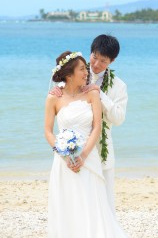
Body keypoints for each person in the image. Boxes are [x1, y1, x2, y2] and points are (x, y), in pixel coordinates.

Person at [45, 50, 128, 238]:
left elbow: (97, 126)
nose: (87, 71)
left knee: (93, 203)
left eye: (103, 61)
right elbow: (48, 131)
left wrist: (82, 155)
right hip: (64, 159)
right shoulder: (54, 96)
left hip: (89, 156)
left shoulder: (93, 93)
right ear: (69, 74)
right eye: (83, 68)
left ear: (112, 61)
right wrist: (64, 154)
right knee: (68, 203)